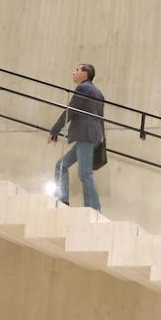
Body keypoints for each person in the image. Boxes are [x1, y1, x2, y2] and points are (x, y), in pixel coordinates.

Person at [50, 62, 106, 211]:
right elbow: (100, 118)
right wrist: (101, 138)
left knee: (85, 173)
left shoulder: (83, 88)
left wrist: (55, 130)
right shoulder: (98, 92)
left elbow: (71, 110)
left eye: (77, 70)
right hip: (91, 135)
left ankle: (94, 209)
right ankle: (62, 199)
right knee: (61, 165)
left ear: (85, 74)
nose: (73, 72)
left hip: (86, 135)